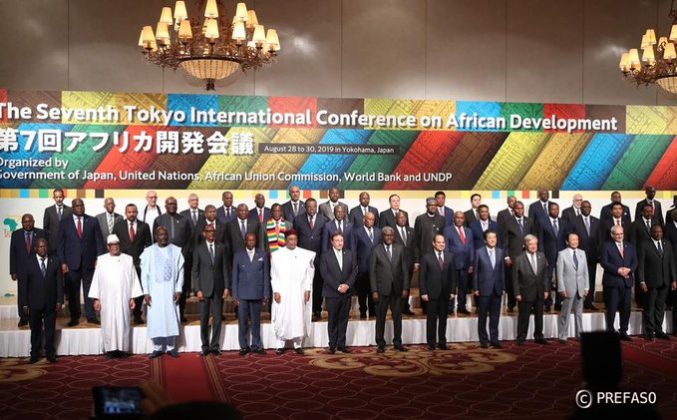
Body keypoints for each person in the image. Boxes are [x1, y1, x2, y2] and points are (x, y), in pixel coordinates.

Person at [89, 234, 144, 358]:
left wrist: (133, 298)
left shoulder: (128, 259)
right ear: (108, 247)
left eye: (116, 244)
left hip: (123, 297)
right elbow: (96, 280)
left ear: (120, 245)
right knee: (108, 323)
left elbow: (133, 279)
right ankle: (110, 349)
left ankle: (123, 349)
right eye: (112, 245)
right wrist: (96, 299)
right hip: (106, 299)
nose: (115, 247)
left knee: (123, 322)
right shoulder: (101, 260)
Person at [58, 198, 105, 326]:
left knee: (90, 290)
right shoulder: (64, 223)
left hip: (89, 262)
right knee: (73, 292)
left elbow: (99, 242)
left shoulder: (93, 221)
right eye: (77, 206)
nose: (80, 207)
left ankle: (91, 316)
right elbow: (60, 244)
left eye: (81, 205)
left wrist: (99, 259)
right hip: (71, 263)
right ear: (72, 208)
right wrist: (63, 262)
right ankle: (74, 317)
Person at [141, 226, 184, 359]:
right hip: (155, 292)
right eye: (160, 235)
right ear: (156, 236)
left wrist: (178, 289)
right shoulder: (148, 252)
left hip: (171, 291)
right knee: (156, 318)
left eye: (165, 234)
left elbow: (181, 272)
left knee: (171, 317)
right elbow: (144, 274)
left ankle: (171, 347)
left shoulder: (176, 251)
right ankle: (157, 347)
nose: (163, 237)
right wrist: (146, 292)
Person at [270, 230, 315, 355]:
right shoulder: (277, 255)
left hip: (298, 292)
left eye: (295, 239)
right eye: (290, 239)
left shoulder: (304, 254)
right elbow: (274, 275)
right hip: (283, 292)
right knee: (282, 316)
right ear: (286, 240)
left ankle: (298, 344)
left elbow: (308, 275)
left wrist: (308, 289)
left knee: (298, 316)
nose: (293, 242)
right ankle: (280, 345)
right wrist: (276, 291)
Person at [20, 238, 63, 363]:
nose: (42, 248)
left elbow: (59, 283)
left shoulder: (55, 261)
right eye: (40, 246)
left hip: (51, 302)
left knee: (50, 330)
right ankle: (34, 353)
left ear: (47, 247)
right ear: (35, 248)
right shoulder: (28, 263)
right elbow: (24, 285)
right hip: (34, 303)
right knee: (35, 330)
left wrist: (59, 300)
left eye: (44, 246)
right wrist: (25, 303)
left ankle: (50, 353)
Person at [370, 227, 410, 353]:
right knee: (380, 317)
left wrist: (405, 287)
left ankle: (397, 342)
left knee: (397, 317)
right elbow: (372, 273)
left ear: (393, 236)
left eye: (391, 235)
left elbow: (405, 270)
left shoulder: (400, 248)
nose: (389, 237)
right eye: (386, 235)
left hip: (397, 289)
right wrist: (374, 290)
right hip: (381, 290)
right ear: (382, 236)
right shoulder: (376, 250)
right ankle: (380, 343)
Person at [154, 197, 193, 323]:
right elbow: (155, 240)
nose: (172, 206)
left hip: (180, 258)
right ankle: (166, 313)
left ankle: (180, 312)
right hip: (164, 260)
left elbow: (189, 239)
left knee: (181, 286)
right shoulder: (159, 220)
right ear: (165, 205)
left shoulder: (184, 220)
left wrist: (183, 254)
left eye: (174, 204)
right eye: (170, 203)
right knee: (165, 286)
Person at [113, 204, 152, 325]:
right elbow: (114, 243)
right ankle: (123, 314)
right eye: (129, 212)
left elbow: (149, 245)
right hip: (122, 263)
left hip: (139, 264)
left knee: (138, 290)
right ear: (125, 213)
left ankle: (137, 315)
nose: (132, 214)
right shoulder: (118, 226)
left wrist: (145, 260)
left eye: (134, 212)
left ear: (137, 212)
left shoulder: (144, 226)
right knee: (123, 289)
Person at [193, 225, 229, 356]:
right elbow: (195, 271)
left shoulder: (221, 247)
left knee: (217, 319)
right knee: (204, 319)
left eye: (213, 231)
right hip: (204, 289)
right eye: (209, 231)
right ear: (204, 233)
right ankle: (205, 346)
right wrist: (197, 289)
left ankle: (215, 346)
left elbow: (225, 268)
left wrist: (226, 287)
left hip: (218, 288)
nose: (211, 233)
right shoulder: (199, 249)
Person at [232, 233, 270, 356]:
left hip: (257, 293)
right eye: (249, 240)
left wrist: (266, 294)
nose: (251, 242)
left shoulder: (262, 254)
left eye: (253, 240)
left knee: (256, 321)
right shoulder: (238, 256)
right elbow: (234, 277)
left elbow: (266, 275)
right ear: (245, 241)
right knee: (242, 322)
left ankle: (256, 345)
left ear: (256, 241)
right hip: (242, 294)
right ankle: (244, 346)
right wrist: (235, 295)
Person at [637, 224, 676, 340]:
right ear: (651, 232)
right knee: (650, 307)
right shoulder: (644, 244)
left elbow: (671, 263)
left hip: (665, 281)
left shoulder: (667, 243)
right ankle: (649, 331)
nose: (658, 234)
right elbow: (641, 264)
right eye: (656, 232)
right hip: (651, 282)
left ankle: (659, 330)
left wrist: (674, 279)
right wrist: (642, 281)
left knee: (660, 307)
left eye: (660, 232)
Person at [320, 232, 357, 354]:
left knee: (343, 319)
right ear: (332, 242)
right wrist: (337, 287)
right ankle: (332, 345)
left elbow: (354, 271)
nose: (339, 243)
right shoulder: (326, 255)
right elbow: (325, 274)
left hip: (346, 292)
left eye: (341, 240)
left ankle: (341, 344)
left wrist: (347, 285)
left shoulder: (349, 254)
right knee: (333, 320)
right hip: (332, 293)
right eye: (337, 240)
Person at [420, 233, 457, 350]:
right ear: (433, 243)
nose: (441, 244)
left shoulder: (450, 256)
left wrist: (452, 291)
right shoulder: (426, 257)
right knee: (431, 320)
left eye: (443, 242)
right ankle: (431, 343)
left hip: (445, 293)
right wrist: (423, 292)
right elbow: (422, 277)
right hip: (431, 293)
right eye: (439, 242)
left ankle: (442, 342)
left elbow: (453, 276)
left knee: (443, 319)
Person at [601, 225, 637, 341]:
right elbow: (604, 262)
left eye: (621, 234)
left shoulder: (630, 246)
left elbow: (635, 261)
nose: (620, 236)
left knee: (626, 308)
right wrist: (618, 270)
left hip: (626, 282)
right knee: (611, 308)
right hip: (613, 283)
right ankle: (610, 331)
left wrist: (629, 270)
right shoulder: (606, 246)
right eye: (617, 234)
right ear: (612, 235)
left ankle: (623, 331)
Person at [10, 214, 45, 327]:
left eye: (30, 221)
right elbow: (12, 253)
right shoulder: (16, 234)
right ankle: (23, 318)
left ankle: (37, 317)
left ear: (34, 222)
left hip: (36, 269)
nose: (28, 224)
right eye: (25, 222)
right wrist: (13, 271)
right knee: (22, 293)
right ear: (22, 223)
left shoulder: (40, 233)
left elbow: (45, 251)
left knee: (36, 293)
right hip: (21, 270)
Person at [294, 198, 327, 321]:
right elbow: (295, 238)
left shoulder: (324, 220)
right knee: (304, 284)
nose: (311, 209)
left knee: (318, 284)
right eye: (309, 207)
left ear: (316, 207)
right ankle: (303, 309)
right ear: (305, 207)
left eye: (314, 207)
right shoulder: (298, 220)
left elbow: (325, 239)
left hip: (318, 258)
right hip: (303, 259)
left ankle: (317, 309)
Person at [513, 234, 549, 345]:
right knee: (524, 317)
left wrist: (546, 289)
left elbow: (545, 275)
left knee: (539, 316)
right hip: (525, 292)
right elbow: (515, 278)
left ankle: (539, 336)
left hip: (539, 291)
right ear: (525, 245)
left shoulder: (542, 256)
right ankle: (521, 338)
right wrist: (517, 293)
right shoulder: (519, 259)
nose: (533, 246)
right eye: (530, 244)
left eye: (535, 244)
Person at [473, 230, 505, 349]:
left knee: (495, 316)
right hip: (483, 289)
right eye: (490, 238)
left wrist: (503, 287)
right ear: (485, 240)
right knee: (482, 316)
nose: (492, 240)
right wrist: (476, 288)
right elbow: (475, 273)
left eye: (494, 237)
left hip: (497, 289)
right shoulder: (479, 252)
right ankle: (483, 340)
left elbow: (502, 271)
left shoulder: (500, 252)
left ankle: (494, 339)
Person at [502, 201, 535, 313]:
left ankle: (527, 304)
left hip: (527, 256)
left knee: (527, 280)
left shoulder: (529, 221)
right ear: (513, 209)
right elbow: (504, 241)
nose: (520, 210)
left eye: (522, 208)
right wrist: (506, 256)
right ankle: (511, 304)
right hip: (514, 256)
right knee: (513, 280)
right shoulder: (508, 222)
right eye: (517, 208)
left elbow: (533, 238)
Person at [556, 232, 588, 343]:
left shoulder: (582, 253)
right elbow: (559, 274)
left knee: (579, 313)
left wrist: (586, 287)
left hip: (580, 288)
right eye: (572, 240)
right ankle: (563, 335)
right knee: (565, 313)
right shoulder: (562, 254)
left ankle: (580, 334)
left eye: (576, 239)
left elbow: (585, 271)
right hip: (568, 289)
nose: (575, 242)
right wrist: (561, 288)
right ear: (567, 241)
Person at [538, 202, 569, 312]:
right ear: (549, 210)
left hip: (561, 255)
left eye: (557, 209)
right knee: (547, 279)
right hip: (548, 256)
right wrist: (543, 255)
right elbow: (540, 240)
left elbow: (566, 239)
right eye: (553, 209)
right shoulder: (542, 222)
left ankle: (559, 302)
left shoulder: (563, 222)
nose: (555, 211)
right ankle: (547, 302)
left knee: (561, 278)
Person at [572, 200, 601, 311]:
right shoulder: (574, 221)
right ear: (580, 208)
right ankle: (577, 302)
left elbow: (600, 239)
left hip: (593, 256)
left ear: (591, 208)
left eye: (588, 207)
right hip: (578, 256)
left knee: (591, 279)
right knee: (578, 279)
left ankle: (589, 302)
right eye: (584, 207)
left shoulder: (597, 221)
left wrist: (599, 254)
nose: (586, 208)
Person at [443, 211, 474, 315]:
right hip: (453, 263)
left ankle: (461, 306)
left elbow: (471, 247)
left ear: (464, 219)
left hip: (466, 263)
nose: (459, 219)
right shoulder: (447, 230)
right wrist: (447, 262)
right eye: (457, 217)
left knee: (463, 287)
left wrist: (471, 263)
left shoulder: (469, 231)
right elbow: (446, 248)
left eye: (461, 218)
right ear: (454, 218)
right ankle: (449, 307)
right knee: (451, 286)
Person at [354, 212, 380, 319]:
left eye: (372, 219)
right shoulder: (357, 232)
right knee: (362, 292)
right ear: (364, 219)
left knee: (373, 291)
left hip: (376, 268)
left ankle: (373, 312)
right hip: (362, 267)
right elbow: (354, 249)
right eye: (368, 219)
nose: (370, 221)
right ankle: (363, 311)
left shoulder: (378, 232)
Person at [394, 211, 416, 315]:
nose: (402, 219)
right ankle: (397, 307)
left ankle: (405, 307)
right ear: (396, 219)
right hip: (397, 265)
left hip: (409, 264)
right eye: (400, 217)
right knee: (397, 286)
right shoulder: (392, 231)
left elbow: (415, 247)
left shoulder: (411, 230)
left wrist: (416, 261)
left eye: (404, 218)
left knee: (407, 286)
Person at [43, 188, 72, 256]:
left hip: (66, 245)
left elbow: (72, 227)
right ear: (54, 198)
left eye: (60, 197)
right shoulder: (48, 210)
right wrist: (48, 243)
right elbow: (45, 228)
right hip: (52, 246)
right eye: (56, 197)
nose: (58, 199)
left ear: (63, 197)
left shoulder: (70, 210)